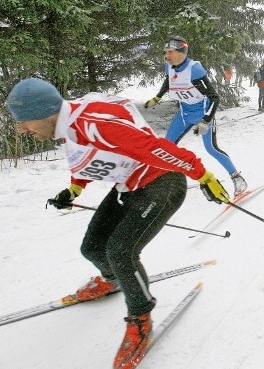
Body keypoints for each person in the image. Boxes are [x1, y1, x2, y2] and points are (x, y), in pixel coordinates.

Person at [6, 77, 230, 368]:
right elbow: (89, 156)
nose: (22, 129)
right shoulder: (70, 121)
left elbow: (155, 147)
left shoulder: (94, 124)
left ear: (45, 112)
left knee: (121, 251)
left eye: (24, 121)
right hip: (130, 184)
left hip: (161, 183)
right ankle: (113, 280)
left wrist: (203, 176)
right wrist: (75, 188)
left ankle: (140, 318)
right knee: (92, 248)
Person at [144, 36, 247, 196]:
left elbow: (214, 97)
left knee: (211, 149)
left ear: (181, 52)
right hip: (184, 114)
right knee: (165, 146)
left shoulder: (194, 70)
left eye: (170, 52)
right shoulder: (169, 67)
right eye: (166, 52)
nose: (167, 56)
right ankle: (163, 183)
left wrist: (206, 120)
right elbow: (169, 81)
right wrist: (158, 97)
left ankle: (237, 178)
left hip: (202, 114)